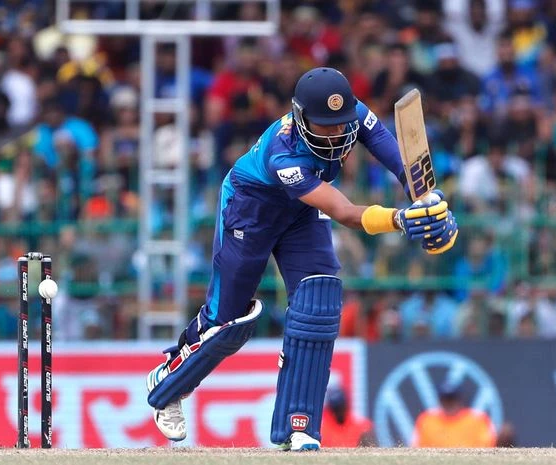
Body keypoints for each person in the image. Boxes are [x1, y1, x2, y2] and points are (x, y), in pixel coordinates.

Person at [145, 67, 459, 450]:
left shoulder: (349, 114)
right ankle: (167, 383)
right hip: (251, 211)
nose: (335, 134)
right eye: (324, 126)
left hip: (298, 215)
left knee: (319, 299)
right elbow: (343, 211)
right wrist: (400, 219)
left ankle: (299, 427)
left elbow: (387, 146)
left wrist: (424, 198)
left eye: (341, 125)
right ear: (300, 115)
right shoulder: (284, 155)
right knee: (227, 320)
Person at [412, 382, 496, 448]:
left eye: (452, 399)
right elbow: (416, 449)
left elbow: (488, 449)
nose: (449, 403)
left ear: (459, 400)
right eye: (445, 400)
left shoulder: (477, 419)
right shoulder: (427, 419)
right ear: (440, 401)